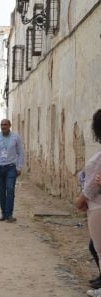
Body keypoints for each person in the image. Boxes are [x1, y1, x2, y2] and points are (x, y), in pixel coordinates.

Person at [75, 109, 101, 290]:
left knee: (98, 248)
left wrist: (81, 199)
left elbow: (95, 182)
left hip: (98, 205)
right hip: (95, 203)